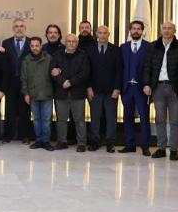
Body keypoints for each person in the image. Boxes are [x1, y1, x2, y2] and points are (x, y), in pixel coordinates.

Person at [142, 21, 178, 160]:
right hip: (157, 87)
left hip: (174, 88)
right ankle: (161, 148)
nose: (167, 30)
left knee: (174, 121)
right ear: (161, 30)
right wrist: (146, 84)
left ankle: (174, 150)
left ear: (174, 31)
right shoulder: (153, 46)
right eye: (164, 28)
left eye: (170, 28)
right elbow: (147, 67)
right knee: (160, 120)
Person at [51, 34, 90, 151]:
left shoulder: (83, 55)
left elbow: (84, 73)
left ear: (77, 43)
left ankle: (81, 143)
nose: (71, 43)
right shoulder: (57, 55)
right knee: (61, 120)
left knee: (79, 120)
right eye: (69, 41)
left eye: (74, 41)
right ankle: (62, 142)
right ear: (65, 42)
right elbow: (52, 71)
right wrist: (62, 81)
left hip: (77, 93)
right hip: (61, 92)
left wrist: (71, 82)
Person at [86, 25, 121, 153]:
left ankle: (110, 143)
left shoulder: (116, 50)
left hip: (111, 91)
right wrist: (88, 87)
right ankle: (94, 141)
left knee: (111, 118)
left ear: (108, 34)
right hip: (94, 90)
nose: (102, 35)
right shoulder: (89, 49)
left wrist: (117, 88)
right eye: (100, 33)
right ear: (96, 34)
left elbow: (119, 71)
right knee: (95, 118)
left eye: (105, 33)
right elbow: (87, 71)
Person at [119, 20, 151, 155]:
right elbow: (120, 68)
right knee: (127, 117)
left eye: (138, 29)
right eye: (134, 28)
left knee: (144, 117)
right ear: (130, 31)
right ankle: (130, 144)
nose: (136, 31)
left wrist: (148, 84)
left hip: (142, 88)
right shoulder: (123, 47)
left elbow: (150, 67)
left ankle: (145, 146)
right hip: (127, 88)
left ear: (142, 31)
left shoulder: (149, 47)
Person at [2, 18, 32, 144]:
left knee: (25, 110)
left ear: (25, 28)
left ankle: (24, 135)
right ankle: (8, 135)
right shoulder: (6, 43)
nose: (19, 28)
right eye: (16, 26)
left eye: (21, 26)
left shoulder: (31, 42)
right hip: (10, 82)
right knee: (10, 110)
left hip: (26, 82)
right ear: (13, 28)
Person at [21, 37, 54, 151]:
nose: (34, 48)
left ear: (41, 46)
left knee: (46, 120)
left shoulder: (49, 58)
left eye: (37, 45)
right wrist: (26, 93)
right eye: (32, 46)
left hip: (46, 93)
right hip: (33, 94)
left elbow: (54, 75)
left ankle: (46, 141)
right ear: (30, 47)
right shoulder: (26, 60)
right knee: (36, 119)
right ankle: (39, 140)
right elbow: (24, 78)